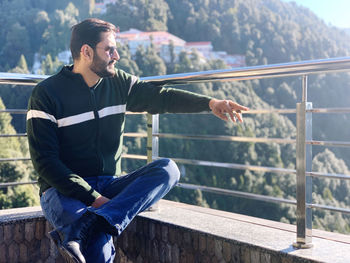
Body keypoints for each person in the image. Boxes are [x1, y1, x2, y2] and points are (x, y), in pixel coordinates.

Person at [26, 18, 249, 263]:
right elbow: (46, 163)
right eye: (109, 49)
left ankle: (90, 223)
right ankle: (94, 223)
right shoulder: (46, 94)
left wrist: (210, 104)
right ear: (86, 52)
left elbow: (161, 98)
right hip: (63, 191)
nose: (117, 55)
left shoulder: (119, 82)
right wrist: (96, 200)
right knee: (97, 251)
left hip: (109, 183)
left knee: (167, 170)